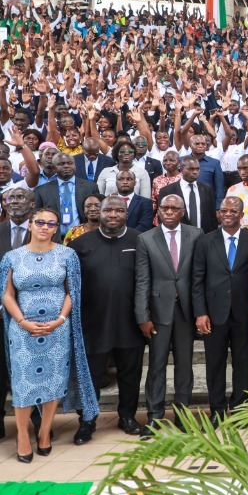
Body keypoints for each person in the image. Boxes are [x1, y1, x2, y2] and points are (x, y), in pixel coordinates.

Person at [2, 207, 98, 462]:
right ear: (31, 225)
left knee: (54, 383)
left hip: (58, 327)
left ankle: (44, 432)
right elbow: (7, 294)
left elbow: (72, 291)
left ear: (57, 228)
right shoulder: (12, 257)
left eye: (51, 223)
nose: (45, 227)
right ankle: (23, 435)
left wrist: (60, 319)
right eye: (40, 222)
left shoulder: (67, 255)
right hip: (23, 330)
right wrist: (22, 321)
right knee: (23, 385)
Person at [68, 195, 145, 443]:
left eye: (119, 211)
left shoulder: (139, 240)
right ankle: (87, 421)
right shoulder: (80, 244)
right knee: (90, 375)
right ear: (98, 213)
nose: (113, 215)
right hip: (93, 322)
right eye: (108, 210)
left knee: (130, 374)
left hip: (130, 322)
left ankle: (127, 417)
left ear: (127, 213)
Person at [134, 193, 202, 436]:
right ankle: (154, 418)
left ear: (182, 212)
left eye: (175, 208)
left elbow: (198, 276)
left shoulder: (196, 234)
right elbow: (142, 280)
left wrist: (201, 311)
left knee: (184, 367)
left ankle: (183, 417)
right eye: (165, 208)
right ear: (158, 211)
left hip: (186, 312)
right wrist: (142, 315)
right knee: (156, 366)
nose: (170, 211)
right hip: (157, 313)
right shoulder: (145, 239)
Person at [192, 196, 248, 425]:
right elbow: (197, 279)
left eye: (233, 210)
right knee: (215, 364)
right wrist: (200, 312)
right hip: (213, 314)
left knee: (242, 363)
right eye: (224, 210)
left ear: (242, 215)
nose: (228, 213)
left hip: (242, 314)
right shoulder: (205, 241)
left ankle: (240, 410)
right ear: (218, 214)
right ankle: (217, 411)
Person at [0, 186, 33, 436]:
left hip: (34, 313)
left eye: (21, 197)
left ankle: (39, 422)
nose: (15, 201)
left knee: (33, 367)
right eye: (11, 197)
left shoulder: (44, 230)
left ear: (32, 203)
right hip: (0, 313)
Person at [33, 152, 99, 239]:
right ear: (54, 167)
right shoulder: (41, 190)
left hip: (84, 236)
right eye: (61, 164)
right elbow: (36, 217)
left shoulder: (90, 187)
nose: (66, 166)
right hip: (53, 237)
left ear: (75, 165)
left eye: (70, 163)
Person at [159, 158, 217, 234]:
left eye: (197, 169)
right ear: (182, 170)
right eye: (191, 169)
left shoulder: (206, 189)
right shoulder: (167, 190)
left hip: (204, 236)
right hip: (178, 236)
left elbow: (212, 216)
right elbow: (162, 216)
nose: (195, 172)